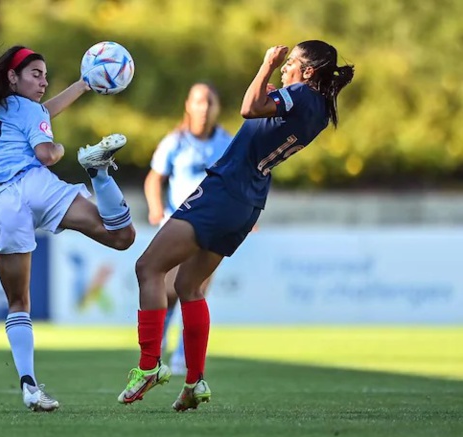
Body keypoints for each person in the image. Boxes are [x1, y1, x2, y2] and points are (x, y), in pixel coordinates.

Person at [118, 40, 354, 411]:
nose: (284, 68)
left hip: (223, 191)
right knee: (189, 286)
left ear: (308, 72)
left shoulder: (300, 93)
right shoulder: (320, 108)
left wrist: (264, 65)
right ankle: (194, 382)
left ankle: (148, 366)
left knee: (147, 267)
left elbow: (247, 109)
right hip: (249, 201)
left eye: (290, 63)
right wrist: (273, 97)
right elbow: (268, 122)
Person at [0, 45, 135, 412]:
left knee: (18, 303)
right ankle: (99, 174)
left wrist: (81, 85)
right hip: (35, 186)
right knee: (122, 236)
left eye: (45, 75)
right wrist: (60, 149)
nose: (44, 81)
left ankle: (29, 385)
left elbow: (40, 112)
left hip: (3, 203)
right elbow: (46, 153)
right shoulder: (27, 109)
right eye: (36, 74)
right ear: (12, 77)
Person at [143, 83, 232, 375]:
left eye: (209, 102)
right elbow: (154, 179)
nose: (204, 108)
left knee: (195, 289)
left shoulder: (226, 142)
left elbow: (237, 182)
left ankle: (182, 355)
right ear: (188, 105)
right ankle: (159, 350)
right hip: (178, 225)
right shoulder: (176, 141)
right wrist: (155, 208)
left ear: (217, 107)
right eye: (198, 101)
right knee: (170, 290)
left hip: (212, 225)